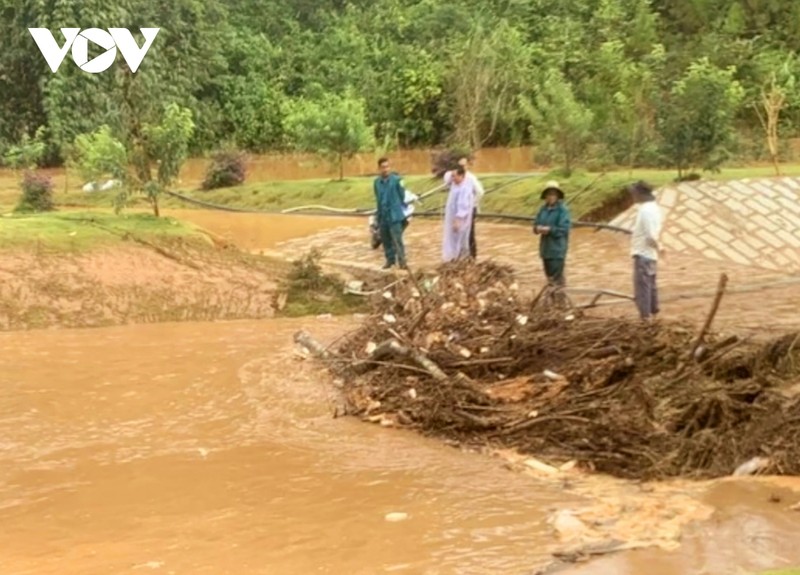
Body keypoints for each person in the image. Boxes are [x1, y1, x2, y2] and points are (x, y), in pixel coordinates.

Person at [628, 180, 664, 322]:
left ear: (640, 194)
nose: (633, 196)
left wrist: (659, 247)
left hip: (643, 254)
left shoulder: (645, 210)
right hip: (650, 255)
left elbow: (650, 235)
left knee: (642, 288)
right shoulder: (654, 208)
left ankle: (645, 319)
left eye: (634, 193)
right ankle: (653, 315)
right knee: (651, 286)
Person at [533, 180, 572, 287]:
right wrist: (537, 228)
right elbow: (536, 224)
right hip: (545, 250)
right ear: (545, 196)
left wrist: (550, 230)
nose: (550, 197)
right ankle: (554, 300)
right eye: (548, 194)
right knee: (549, 279)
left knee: (556, 280)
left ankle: (559, 300)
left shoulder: (563, 211)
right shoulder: (543, 209)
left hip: (557, 251)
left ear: (557, 196)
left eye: (553, 194)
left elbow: (564, 229)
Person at [373, 157, 408, 269]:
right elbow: (378, 198)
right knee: (385, 239)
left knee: (397, 239)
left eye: (387, 167)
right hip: (383, 215)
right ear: (379, 168)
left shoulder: (397, 180)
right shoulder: (376, 182)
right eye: (383, 167)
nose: (386, 169)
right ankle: (390, 260)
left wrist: (397, 208)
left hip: (394, 215)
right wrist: (378, 217)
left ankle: (402, 263)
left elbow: (402, 196)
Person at [442, 166, 475, 262]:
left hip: (460, 219)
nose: (452, 178)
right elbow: (447, 177)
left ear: (461, 176)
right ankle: (451, 257)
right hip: (451, 216)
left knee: (460, 238)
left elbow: (463, 206)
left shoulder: (465, 187)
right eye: (452, 176)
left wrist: (457, 220)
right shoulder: (455, 183)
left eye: (455, 176)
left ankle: (460, 259)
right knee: (450, 238)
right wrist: (452, 175)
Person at [457, 157, 485, 259]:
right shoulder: (457, 177)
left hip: (470, 209)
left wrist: (472, 204)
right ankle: (462, 255)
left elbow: (480, 192)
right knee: (459, 232)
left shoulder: (471, 178)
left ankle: (472, 256)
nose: (461, 167)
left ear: (467, 166)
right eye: (459, 166)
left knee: (470, 232)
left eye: (463, 165)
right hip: (459, 210)